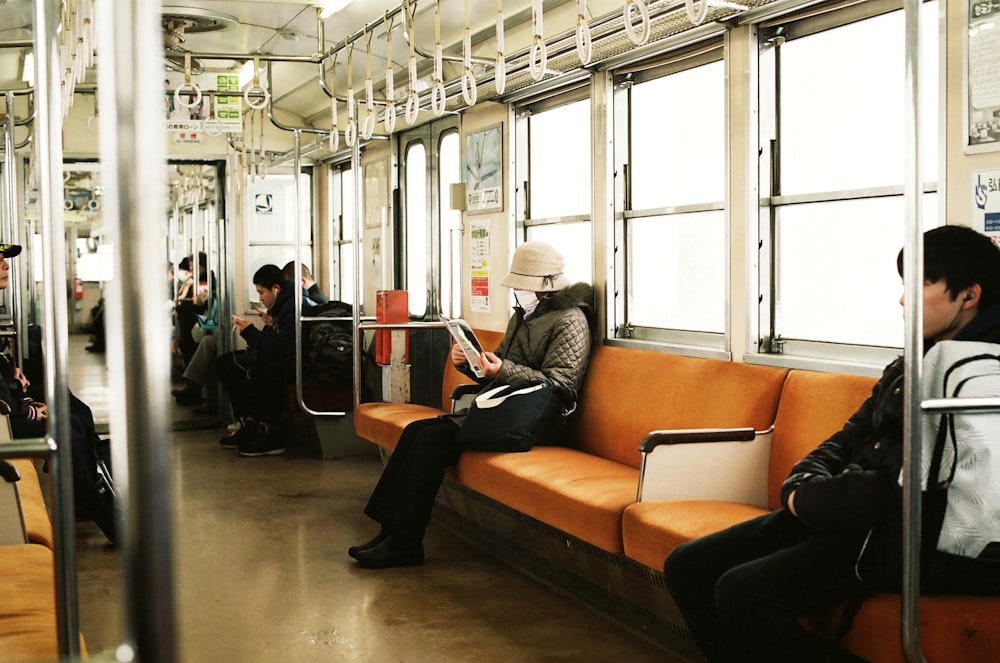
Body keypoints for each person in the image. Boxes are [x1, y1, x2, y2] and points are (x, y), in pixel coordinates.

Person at [662, 225, 1000, 663]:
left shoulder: (978, 378)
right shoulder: (914, 359)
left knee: (742, 593)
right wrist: (803, 482)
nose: (903, 299)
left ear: (968, 296)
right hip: (846, 511)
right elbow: (852, 435)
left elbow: (900, 483)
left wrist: (809, 499)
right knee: (687, 566)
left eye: (920, 284)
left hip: (906, 534)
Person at [349, 241, 596, 569]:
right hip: (506, 411)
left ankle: (405, 543)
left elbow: (561, 384)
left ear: (544, 288)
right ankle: (390, 532)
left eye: (522, 285)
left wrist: (501, 370)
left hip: (536, 422)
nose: (517, 292)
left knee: (430, 441)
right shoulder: (523, 315)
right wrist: (470, 364)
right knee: (416, 432)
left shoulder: (571, 321)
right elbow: (500, 369)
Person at [0, 242, 117, 544]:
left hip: (8, 407)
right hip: (4, 419)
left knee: (75, 414)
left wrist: (13, 378)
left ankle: (87, 495)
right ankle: (108, 519)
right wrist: (27, 410)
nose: (5, 266)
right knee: (67, 429)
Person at [216, 263, 308, 456]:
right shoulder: (284, 304)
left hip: (290, 362)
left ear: (276, 289)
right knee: (226, 363)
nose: (260, 298)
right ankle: (249, 422)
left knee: (243, 367)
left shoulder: (292, 306)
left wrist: (249, 331)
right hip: (281, 357)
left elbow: (281, 348)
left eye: (261, 292)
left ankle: (265, 428)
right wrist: (272, 323)